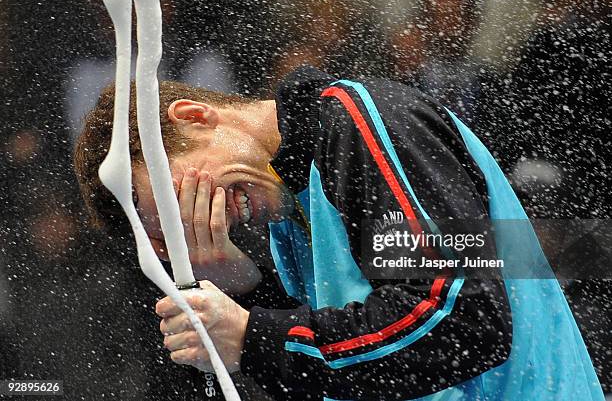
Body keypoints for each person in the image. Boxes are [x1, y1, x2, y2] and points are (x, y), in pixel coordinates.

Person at [74, 68, 604, 400]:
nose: (206, 217)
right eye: (175, 221)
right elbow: (353, 367)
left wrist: (256, 334)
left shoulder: (361, 122)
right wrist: (244, 289)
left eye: (179, 193)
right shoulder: (291, 198)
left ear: (195, 118)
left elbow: (463, 317)